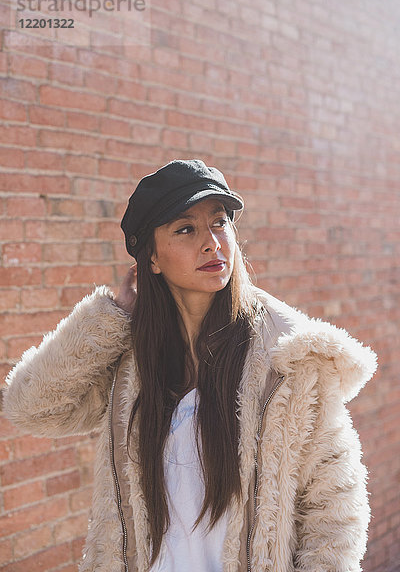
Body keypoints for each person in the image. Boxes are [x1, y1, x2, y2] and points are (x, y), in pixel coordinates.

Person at [3, 159, 378, 572]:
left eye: (220, 223)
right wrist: (108, 317)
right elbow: (32, 407)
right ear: (152, 259)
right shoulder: (128, 362)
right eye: (186, 229)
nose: (212, 243)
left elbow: (336, 506)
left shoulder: (287, 359)